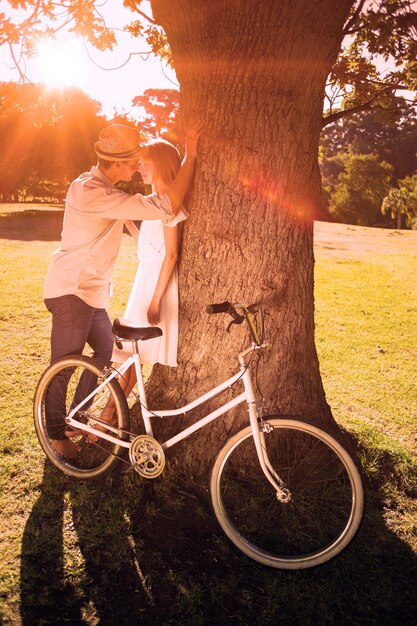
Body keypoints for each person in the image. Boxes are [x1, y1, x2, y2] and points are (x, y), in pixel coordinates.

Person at [43, 123, 201, 458]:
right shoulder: (95, 193)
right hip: (71, 289)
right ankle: (57, 435)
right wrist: (191, 155)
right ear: (116, 164)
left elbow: (156, 213)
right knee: (65, 364)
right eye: (131, 162)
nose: (135, 167)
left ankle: (78, 418)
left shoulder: (99, 190)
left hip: (90, 293)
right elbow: (166, 206)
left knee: (105, 353)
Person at [96, 139, 186, 430]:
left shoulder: (169, 204)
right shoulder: (153, 201)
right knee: (129, 357)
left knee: (132, 357)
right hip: (144, 280)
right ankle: (108, 415)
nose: (139, 169)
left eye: (145, 163)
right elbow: (149, 248)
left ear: (159, 163)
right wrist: (130, 224)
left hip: (155, 286)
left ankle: (107, 417)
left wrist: (156, 299)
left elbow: (170, 256)